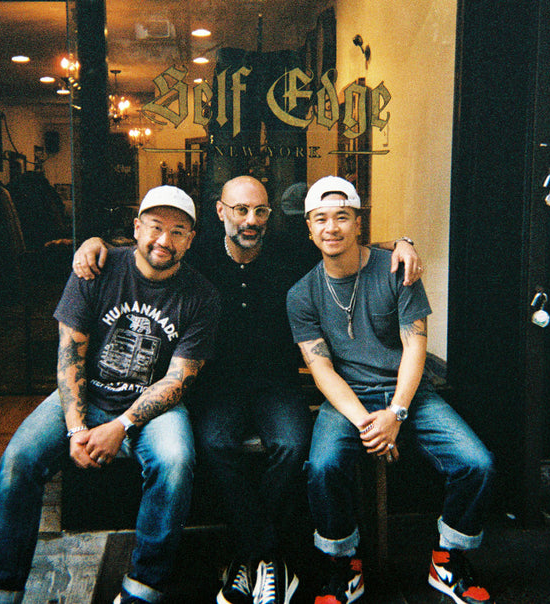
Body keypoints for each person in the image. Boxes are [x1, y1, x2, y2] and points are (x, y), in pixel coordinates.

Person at [73, 176, 422, 604]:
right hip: (216, 382)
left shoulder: (289, 249)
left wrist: (402, 243)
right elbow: (144, 251)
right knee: (215, 444)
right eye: (240, 210)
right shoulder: (195, 252)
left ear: (269, 214)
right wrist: (93, 242)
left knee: (293, 446)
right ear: (221, 212)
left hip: (277, 381)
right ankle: (266, 556)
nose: (250, 220)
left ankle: (245, 557)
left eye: (259, 211)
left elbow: (346, 240)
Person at [0, 185, 221, 604]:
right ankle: (0, 593)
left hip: (150, 408)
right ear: (136, 228)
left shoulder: (202, 296)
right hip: (85, 395)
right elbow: (69, 356)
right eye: (156, 227)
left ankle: (142, 588)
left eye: (179, 231)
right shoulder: (97, 270)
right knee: (18, 462)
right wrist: (76, 429)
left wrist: (122, 425)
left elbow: (178, 379)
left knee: (176, 461)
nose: (164, 240)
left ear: (191, 239)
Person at [286, 176, 495, 604]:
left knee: (477, 463)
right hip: (349, 401)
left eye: (341, 217)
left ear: (357, 223)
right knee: (322, 468)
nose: (331, 228)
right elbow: (321, 369)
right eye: (321, 219)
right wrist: (370, 426)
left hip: (410, 394)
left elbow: (415, 344)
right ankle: (344, 564)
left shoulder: (397, 268)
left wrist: (396, 414)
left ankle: (448, 558)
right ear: (309, 228)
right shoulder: (301, 293)